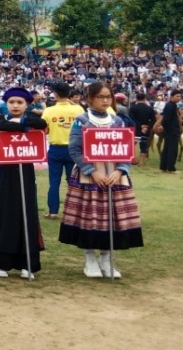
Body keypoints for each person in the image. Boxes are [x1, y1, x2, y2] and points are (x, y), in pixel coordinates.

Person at [60, 81, 144, 279]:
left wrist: (121, 170)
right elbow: (74, 149)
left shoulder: (118, 122)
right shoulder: (81, 120)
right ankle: (90, 259)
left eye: (108, 97)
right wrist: (92, 171)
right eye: (101, 97)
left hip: (114, 175)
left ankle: (106, 259)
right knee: (89, 216)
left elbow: (126, 149)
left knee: (112, 217)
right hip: (89, 175)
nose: (105, 100)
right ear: (90, 98)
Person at [0, 88, 48, 279]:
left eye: (20, 102)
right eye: (12, 102)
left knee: (27, 215)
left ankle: (27, 263)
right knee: (4, 216)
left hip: (26, 172)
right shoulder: (0, 119)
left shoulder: (32, 119)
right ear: (6, 103)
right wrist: (22, 126)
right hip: (4, 174)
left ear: (27, 104)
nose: (15, 105)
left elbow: (41, 123)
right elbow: (1, 127)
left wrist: (21, 123)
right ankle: (2, 263)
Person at [41, 83, 82, 219]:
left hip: (56, 149)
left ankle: (53, 211)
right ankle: (75, 211)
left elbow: (45, 129)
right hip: (74, 149)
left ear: (56, 95)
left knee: (54, 182)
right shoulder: (78, 110)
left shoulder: (48, 111)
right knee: (74, 182)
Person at [156, 90, 183, 174]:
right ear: (171, 97)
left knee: (166, 149)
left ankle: (163, 167)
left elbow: (164, 116)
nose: (179, 98)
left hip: (169, 130)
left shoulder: (171, 105)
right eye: (177, 96)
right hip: (172, 130)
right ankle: (171, 168)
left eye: (180, 96)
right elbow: (166, 118)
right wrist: (162, 126)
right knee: (172, 149)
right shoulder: (171, 106)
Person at [128, 93, 156, 167]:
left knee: (133, 144)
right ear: (144, 99)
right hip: (146, 129)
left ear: (136, 99)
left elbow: (131, 119)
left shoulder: (133, 108)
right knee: (144, 145)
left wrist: (140, 125)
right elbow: (153, 120)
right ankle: (141, 162)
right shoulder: (150, 108)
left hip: (135, 129)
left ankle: (132, 160)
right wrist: (147, 127)